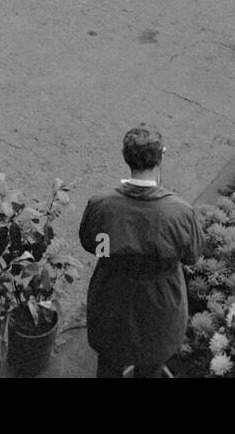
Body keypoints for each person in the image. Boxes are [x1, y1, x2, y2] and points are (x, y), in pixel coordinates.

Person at [78, 124, 205, 379]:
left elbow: (89, 243)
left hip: (111, 301)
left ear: (126, 157)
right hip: (160, 308)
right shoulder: (180, 212)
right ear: (162, 156)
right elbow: (193, 255)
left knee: (108, 366)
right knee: (151, 368)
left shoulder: (101, 205)